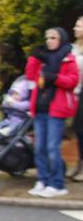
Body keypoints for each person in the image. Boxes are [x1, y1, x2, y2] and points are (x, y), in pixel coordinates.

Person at [25, 27, 79, 198]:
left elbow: (72, 81)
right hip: (40, 107)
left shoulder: (68, 59)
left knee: (52, 147)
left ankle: (57, 184)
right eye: (47, 37)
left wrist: (54, 78)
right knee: (39, 147)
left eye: (53, 37)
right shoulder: (43, 60)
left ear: (61, 40)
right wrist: (34, 57)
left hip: (57, 109)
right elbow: (30, 76)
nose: (49, 41)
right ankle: (42, 180)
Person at [69, 16, 83, 182]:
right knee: (77, 129)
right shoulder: (72, 48)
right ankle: (78, 164)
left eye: (78, 26)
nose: (75, 28)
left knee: (81, 129)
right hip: (73, 92)